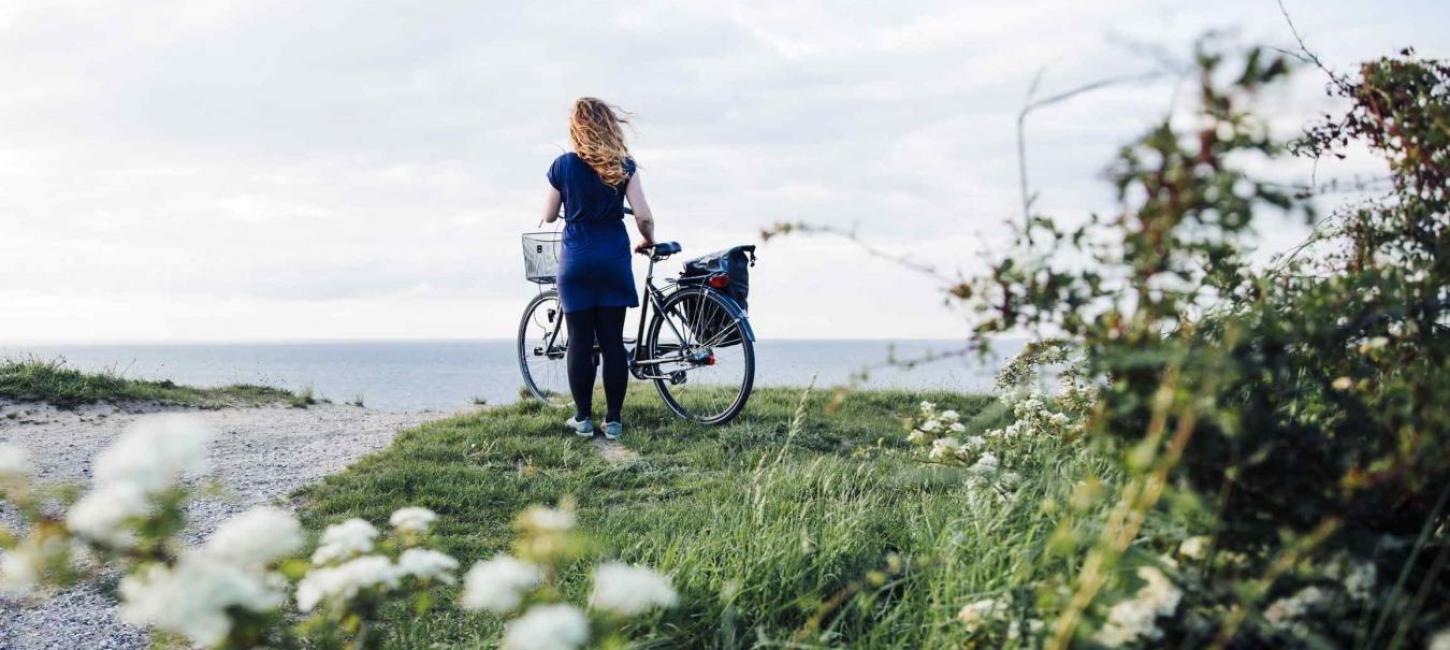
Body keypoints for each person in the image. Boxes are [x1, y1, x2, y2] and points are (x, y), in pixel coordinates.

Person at [541, 97, 656, 440]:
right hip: (612, 259)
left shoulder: (562, 166)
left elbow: (548, 215)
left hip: (576, 261)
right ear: (610, 126)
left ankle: (582, 419)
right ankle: (615, 420)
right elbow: (644, 216)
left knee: (578, 341)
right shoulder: (624, 165)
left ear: (576, 128)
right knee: (611, 342)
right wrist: (648, 239)